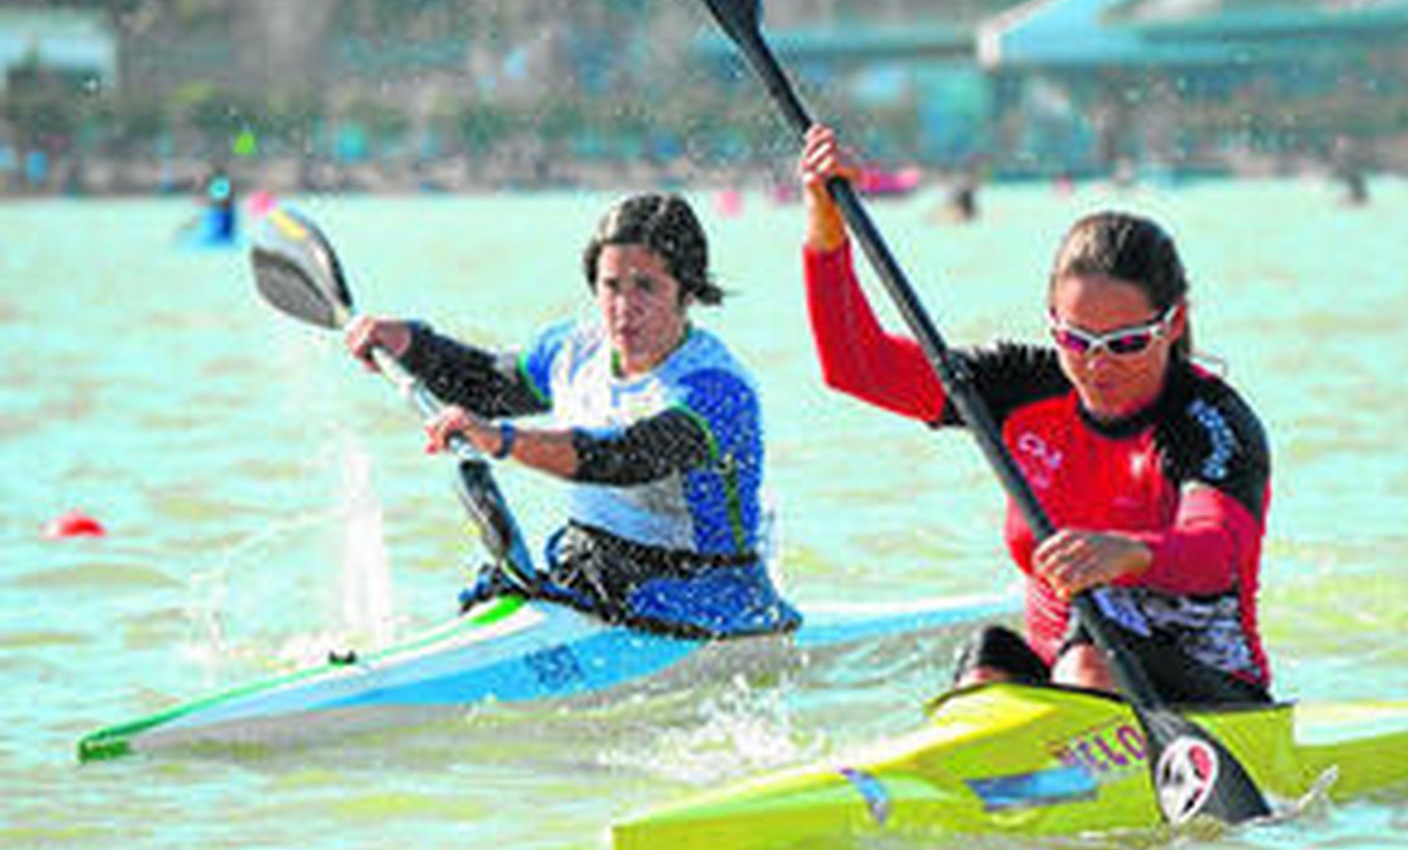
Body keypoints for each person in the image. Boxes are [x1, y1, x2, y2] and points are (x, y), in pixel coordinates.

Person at [799, 124, 1273, 705]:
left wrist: (1129, 553)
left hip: (1207, 696)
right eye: (1075, 340)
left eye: (1125, 343)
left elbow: (1216, 552)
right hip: (1062, 678)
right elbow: (858, 366)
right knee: (986, 662)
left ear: (1173, 324)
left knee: (1090, 659)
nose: (1096, 365)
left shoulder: (1208, 422)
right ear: (1052, 321)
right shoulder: (1020, 386)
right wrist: (826, 230)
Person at [345, 192, 798, 639]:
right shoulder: (574, 350)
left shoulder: (715, 390)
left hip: (706, 591)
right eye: (611, 286)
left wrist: (503, 441)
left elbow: (625, 457)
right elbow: (488, 383)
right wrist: (412, 345)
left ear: (687, 291)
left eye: (646, 287)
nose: (624, 308)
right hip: (594, 566)